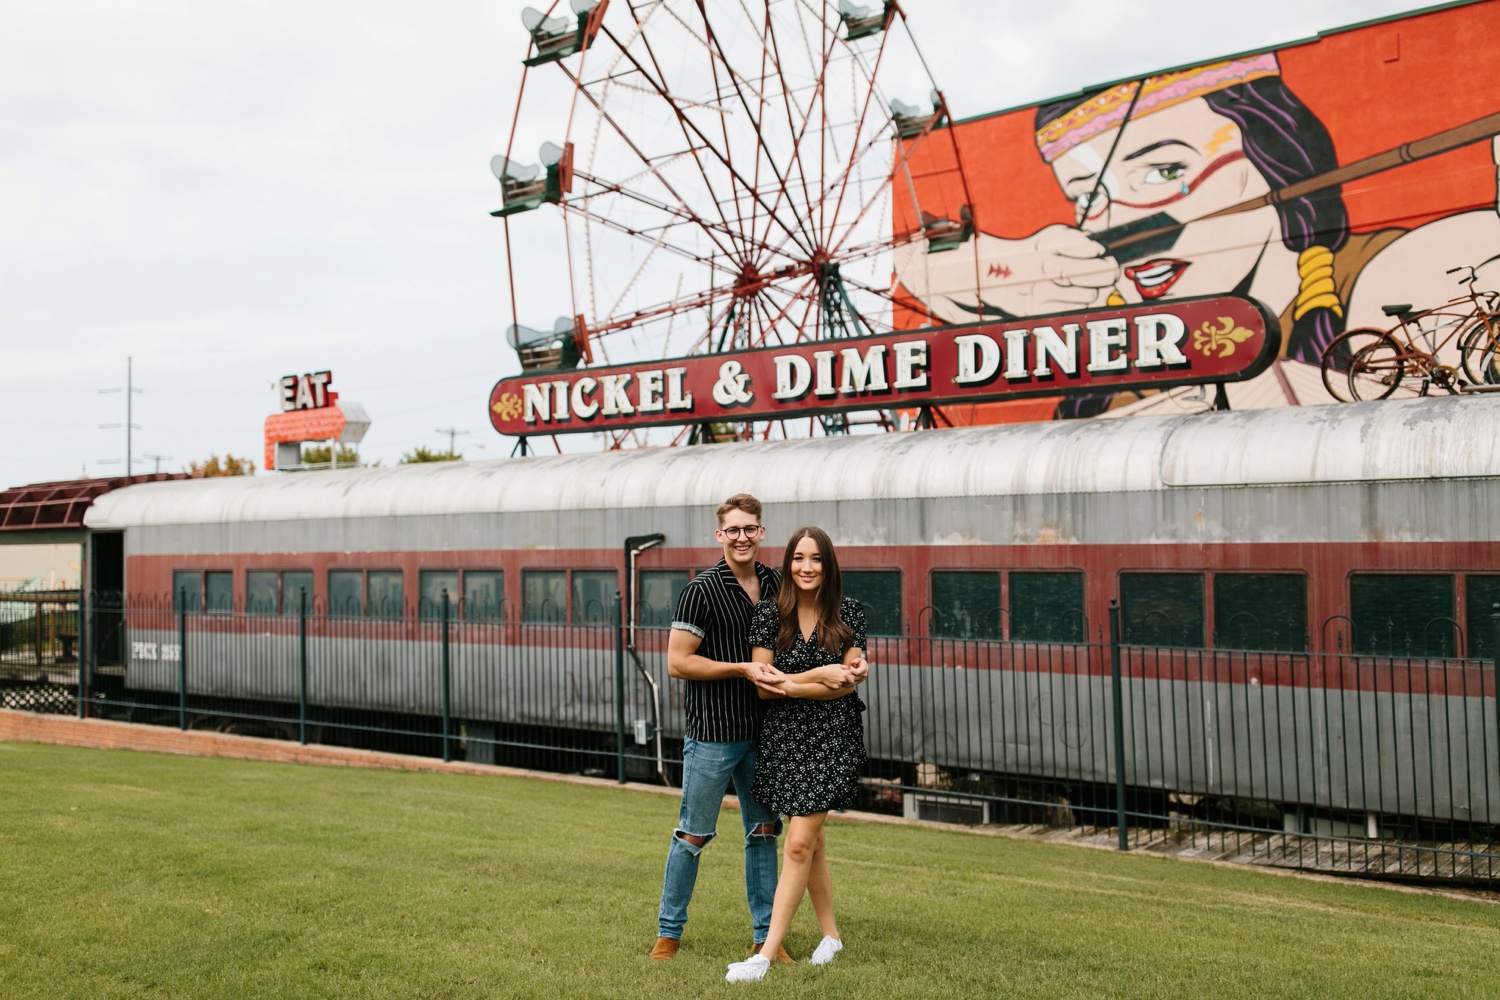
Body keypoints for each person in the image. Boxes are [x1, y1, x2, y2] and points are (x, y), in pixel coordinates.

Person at [650, 493, 791, 963]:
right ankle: (668, 935)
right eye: (733, 529)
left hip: (766, 731)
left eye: (750, 528)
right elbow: (677, 663)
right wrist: (741, 670)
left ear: (762, 532)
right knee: (692, 836)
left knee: (764, 832)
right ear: (720, 535)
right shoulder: (701, 590)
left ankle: (765, 939)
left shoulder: (777, 583)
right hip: (713, 732)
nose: (742, 537)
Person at [725, 526, 868, 984]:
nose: (807, 567)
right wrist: (820, 674)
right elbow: (764, 692)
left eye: (817, 559)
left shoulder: (850, 613)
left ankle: (763, 956)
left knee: (800, 842)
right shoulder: (769, 614)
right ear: (788, 563)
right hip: (785, 739)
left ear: (829, 564)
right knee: (816, 842)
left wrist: (792, 682)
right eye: (799, 558)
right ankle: (831, 936)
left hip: (832, 740)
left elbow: (844, 686)